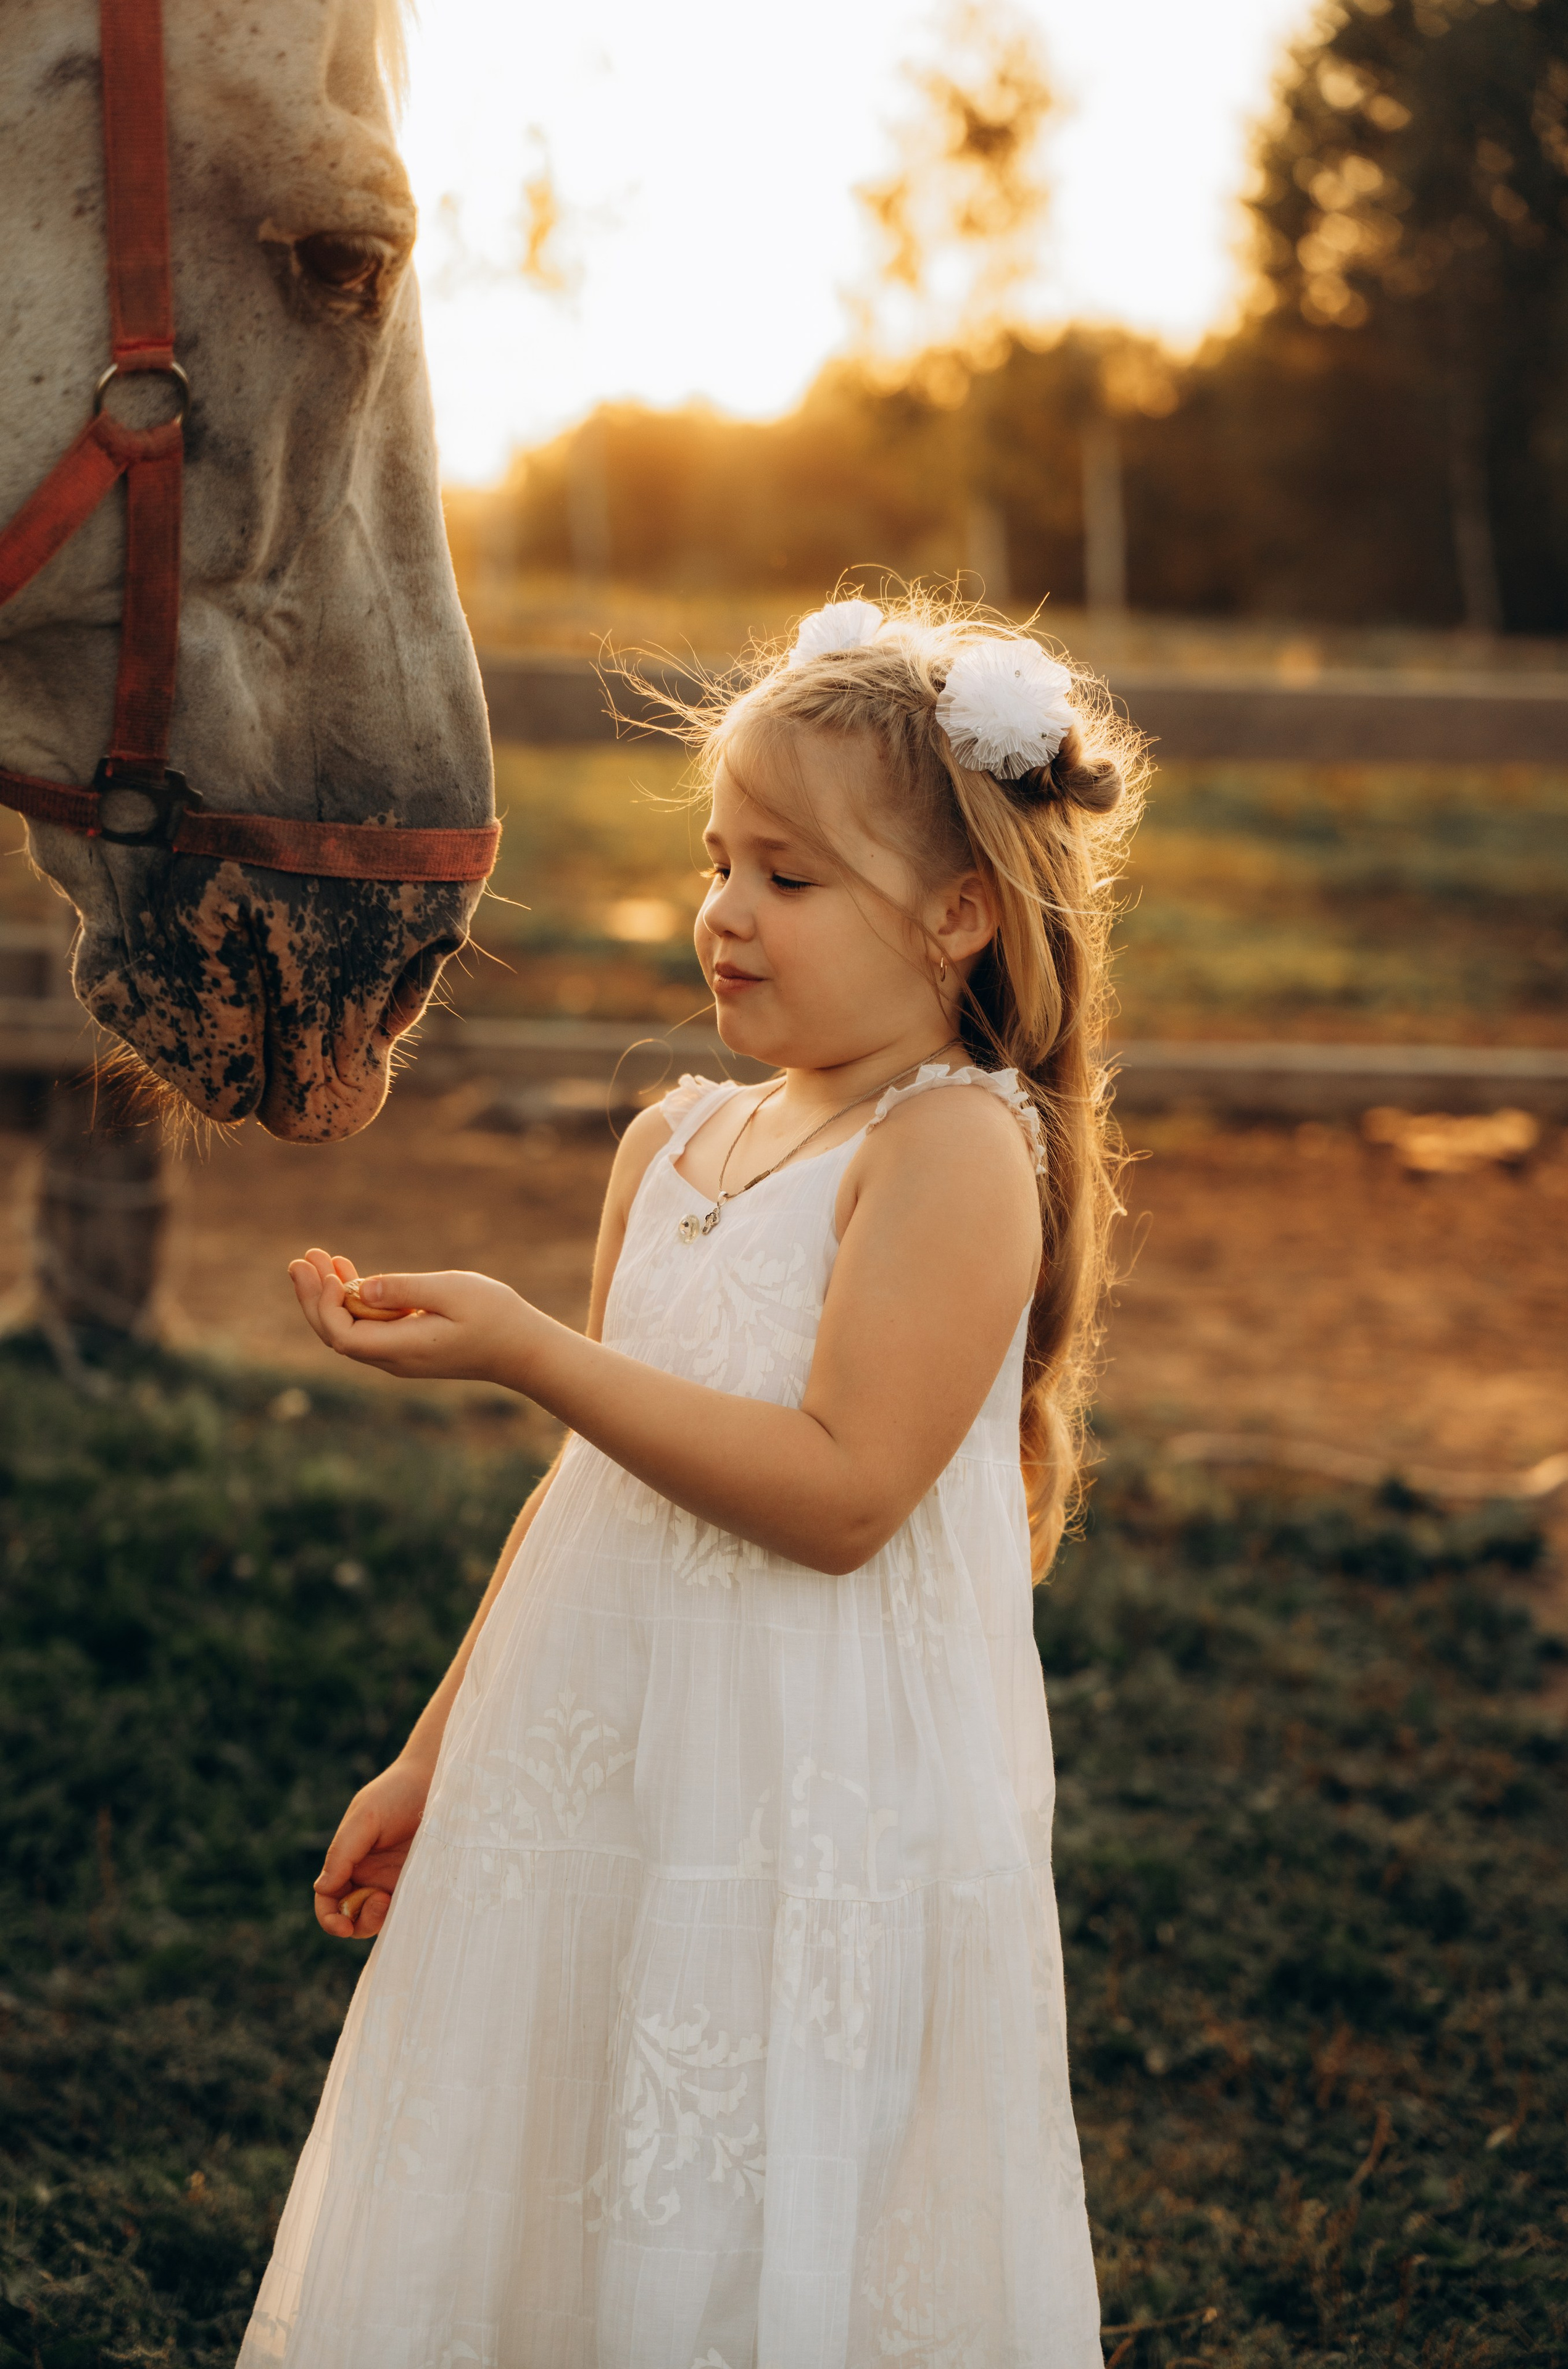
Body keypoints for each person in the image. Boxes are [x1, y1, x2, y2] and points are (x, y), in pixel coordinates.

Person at [238, 589, 1144, 2369]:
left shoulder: (954, 1145)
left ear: (958, 909)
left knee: (755, 2205)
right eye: (721, 863)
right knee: (559, 2164)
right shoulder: (676, 1138)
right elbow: (585, 1491)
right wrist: (438, 1756)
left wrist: (525, 1348)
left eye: (791, 879)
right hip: (604, 1765)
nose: (725, 915)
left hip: (811, 1800)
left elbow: (841, 1495)